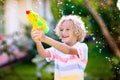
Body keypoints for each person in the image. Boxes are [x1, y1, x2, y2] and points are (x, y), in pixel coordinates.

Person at [31, 15, 88, 80]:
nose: (63, 32)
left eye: (67, 29)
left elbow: (68, 50)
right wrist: (38, 41)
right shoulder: (57, 48)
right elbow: (43, 54)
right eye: (61, 30)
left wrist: (44, 38)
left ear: (77, 31)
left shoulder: (82, 47)